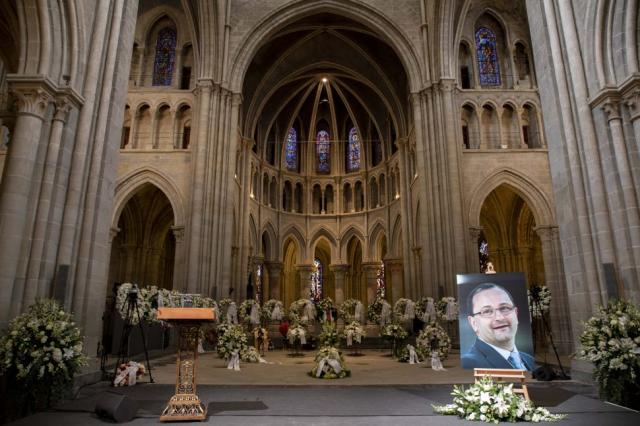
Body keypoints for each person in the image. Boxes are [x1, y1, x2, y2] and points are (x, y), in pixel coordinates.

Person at [461, 283, 536, 370]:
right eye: (487, 311)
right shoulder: (470, 363)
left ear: (515, 314)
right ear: (474, 323)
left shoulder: (529, 359)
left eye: (504, 308)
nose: (499, 317)